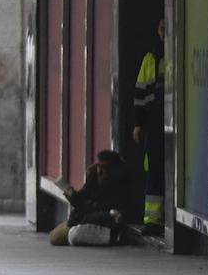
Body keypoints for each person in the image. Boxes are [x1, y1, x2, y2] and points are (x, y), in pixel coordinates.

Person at [61, 149, 143, 245]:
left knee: (81, 224)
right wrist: (73, 196)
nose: (100, 171)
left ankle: (111, 236)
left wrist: (84, 207)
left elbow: (108, 206)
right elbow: (84, 196)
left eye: (104, 168)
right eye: (99, 166)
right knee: (63, 231)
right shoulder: (95, 177)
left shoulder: (119, 182)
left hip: (108, 215)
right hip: (92, 214)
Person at [132, 19, 167, 236]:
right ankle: (153, 221)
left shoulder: (176, 53)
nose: (164, 33)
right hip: (155, 123)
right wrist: (138, 124)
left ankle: (164, 219)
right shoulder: (150, 58)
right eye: (162, 29)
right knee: (153, 170)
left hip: (171, 124)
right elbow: (140, 95)